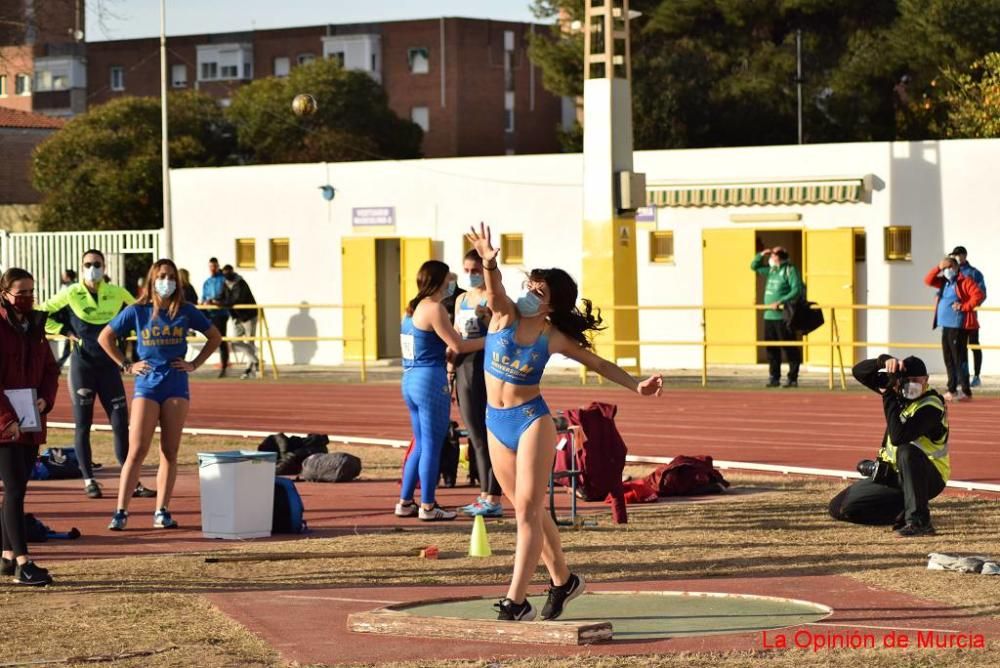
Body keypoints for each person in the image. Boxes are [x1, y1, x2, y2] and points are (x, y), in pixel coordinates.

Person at [466, 223, 663, 622]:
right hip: (495, 422)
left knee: (527, 511)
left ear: (551, 306)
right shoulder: (502, 316)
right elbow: (496, 289)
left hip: (530, 421)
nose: (528, 293)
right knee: (531, 512)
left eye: (538, 292)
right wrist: (489, 263)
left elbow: (600, 364)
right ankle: (564, 581)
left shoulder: (553, 337)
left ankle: (516, 602)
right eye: (530, 285)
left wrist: (636, 386)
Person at [98, 259, 222, 530]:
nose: (166, 281)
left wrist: (195, 364)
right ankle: (121, 510)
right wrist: (127, 365)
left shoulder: (186, 310)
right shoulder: (138, 311)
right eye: (161, 276)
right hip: (147, 384)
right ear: (152, 280)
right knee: (137, 449)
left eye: (171, 276)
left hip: (176, 383)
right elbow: (105, 337)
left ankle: (162, 510)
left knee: (170, 450)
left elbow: (214, 336)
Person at [41, 250, 154, 499]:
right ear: (82, 267)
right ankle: (89, 480)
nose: (93, 268)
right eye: (88, 264)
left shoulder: (116, 292)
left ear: (104, 267)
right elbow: (41, 314)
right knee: (83, 425)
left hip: (110, 368)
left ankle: (132, 481)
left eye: (97, 264)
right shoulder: (70, 293)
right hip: (83, 367)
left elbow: (141, 311)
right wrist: (64, 331)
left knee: (120, 425)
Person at [396, 260, 484, 522]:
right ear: (438, 281)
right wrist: (493, 339)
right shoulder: (434, 308)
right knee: (433, 444)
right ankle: (428, 505)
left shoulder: (410, 310)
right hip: (430, 380)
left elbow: (428, 344)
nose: (452, 283)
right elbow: (458, 345)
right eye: (449, 279)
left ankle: (405, 501)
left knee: (420, 443)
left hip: (410, 378)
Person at [828, 355, 949, 537]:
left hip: (929, 477)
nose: (911, 385)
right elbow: (859, 372)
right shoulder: (898, 391)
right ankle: (902, 513)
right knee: (840, 508)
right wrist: (882, 362)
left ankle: (919, 521)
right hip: (894, 476)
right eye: (906, 380)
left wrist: (888, 395)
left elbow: (900, 436)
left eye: (916, 380)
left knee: (907, 450)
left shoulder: (932, 405)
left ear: (926, 380)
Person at [0, 268, 58, 585]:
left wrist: (45, 401)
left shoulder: (35, 326)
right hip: (5, 426)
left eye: (31, 292)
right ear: (4, 293)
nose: (27, 298)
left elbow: (50, 370)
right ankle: (24, 562)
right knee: (15, 489)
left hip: (31, 420)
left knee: (17, 488)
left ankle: (8, 557)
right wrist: (6, 420)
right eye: (20, 293)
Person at [451, 250, 502, 518]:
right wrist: (451, 362)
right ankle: (484, 494)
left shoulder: (490, 298)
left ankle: (493, 495)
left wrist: (484, 318)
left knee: (486, 435)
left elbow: (500, 331)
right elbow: (456, 333)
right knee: (474, 435)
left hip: (485, 366)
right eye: (467, 270)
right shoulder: (461, 299)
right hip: (463, 367)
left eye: (475, 271)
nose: (470, 275)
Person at [924, 256, 984, 401]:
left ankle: (965, 390)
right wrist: (938, 268)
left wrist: (964, 307)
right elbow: (928, 280)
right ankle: (952, 389)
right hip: (945, 326)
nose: (947, 270)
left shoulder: (964, 280)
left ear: (956, 267)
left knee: (959, 358)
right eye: (944, 268)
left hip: (958, 326)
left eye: (949, 267)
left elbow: (978, 295)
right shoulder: (944, 282)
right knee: (948, 358)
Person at [750, 246, 803, 387]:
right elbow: (754, 266)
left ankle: (792, 378)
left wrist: (781, 301)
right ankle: (774, 377)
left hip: (783, 316)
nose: (770, 258)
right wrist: (761, 254)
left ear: (779, 257)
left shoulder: (790, 270)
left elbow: (796, 289)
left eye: (772, 255)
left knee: (789, 347)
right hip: (769, 316)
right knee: (771, 348)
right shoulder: (772, 270)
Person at [951, 246, 987, 387]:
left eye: (958, 255)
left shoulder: (973, 273)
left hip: (969, 316)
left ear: (964, 255)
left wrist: (968, 305)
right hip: (954, 318)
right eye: (955, 255)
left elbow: (981, 294)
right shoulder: (952, 273)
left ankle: (976, 376)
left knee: (974, 344)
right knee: (959, 348)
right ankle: (962, 377)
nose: (957, 258)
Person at [220, 264, 259, 379]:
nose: (226, 275)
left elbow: (237, 299)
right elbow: (223, 297)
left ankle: (249, 369)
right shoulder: (225, 284)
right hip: (236, 317)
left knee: (250, 342)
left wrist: (221, 303)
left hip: (248, 316)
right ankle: (255, 361)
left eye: (228, 273)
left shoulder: (241, 283)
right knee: (235, 342)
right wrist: (214, 301)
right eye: (224, 273)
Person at [201, 258, 230, 377]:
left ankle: (224, 367)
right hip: (210, 314)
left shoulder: (223, 280)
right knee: (212, 338)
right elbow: (202, 297)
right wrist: (205, 302)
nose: (212, 269)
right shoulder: (207, 282)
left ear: (218, 267)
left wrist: (216, 301)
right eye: (210, 266)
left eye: (214, 266)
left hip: (221, 314)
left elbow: (226, 296)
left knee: (221, 339)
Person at [55, 269, 77, 368]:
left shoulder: (68, 288)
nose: (62, 277)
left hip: (69, 318)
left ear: (68, 277)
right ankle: (59, 363)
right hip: (70, 318)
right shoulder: (74, 286)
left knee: (72, 340)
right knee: (72, 341)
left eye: (64, 275)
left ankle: (59, 364)